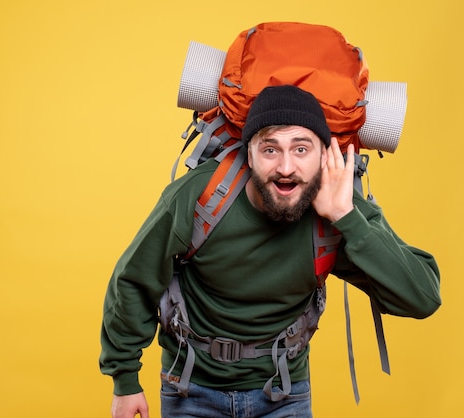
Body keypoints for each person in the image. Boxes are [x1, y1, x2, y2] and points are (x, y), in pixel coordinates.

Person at [99, 85, 441, 418]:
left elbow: (422, 297)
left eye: (301, 149)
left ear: (325, 155)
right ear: (249, 154)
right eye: (270, 149)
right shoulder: (200, 197)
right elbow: (133, 282)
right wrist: (125, 381)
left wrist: (347, 219)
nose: (286, 167)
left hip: (284, 393)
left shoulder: (340, 211)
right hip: (190, 388)